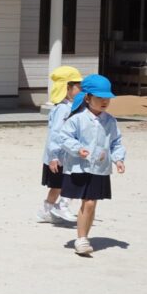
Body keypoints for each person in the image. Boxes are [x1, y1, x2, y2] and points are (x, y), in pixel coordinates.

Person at [54, 74, 126, 256]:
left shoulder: (110, 121)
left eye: (107, 98)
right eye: (99, 97)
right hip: (79, 167)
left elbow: (116, 142)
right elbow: (64, 137)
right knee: (88, 203)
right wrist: (78, 149)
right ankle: (82, 239)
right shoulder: (77, 119)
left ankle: (83, 238)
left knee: (91, 203)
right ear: (87, 98)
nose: (104, 101)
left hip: (100, 168)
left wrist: (118, 159)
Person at [37, 66, 83, 224]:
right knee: (59, 185)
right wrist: (54, 156)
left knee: (61, 184)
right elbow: (55, 134)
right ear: (67, 88)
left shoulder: (72, 107)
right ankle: (58, 207)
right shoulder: (62, 109)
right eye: (78, 86)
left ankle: (48, 210)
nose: (81, 90)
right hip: (58, 156)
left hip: (67, 155)